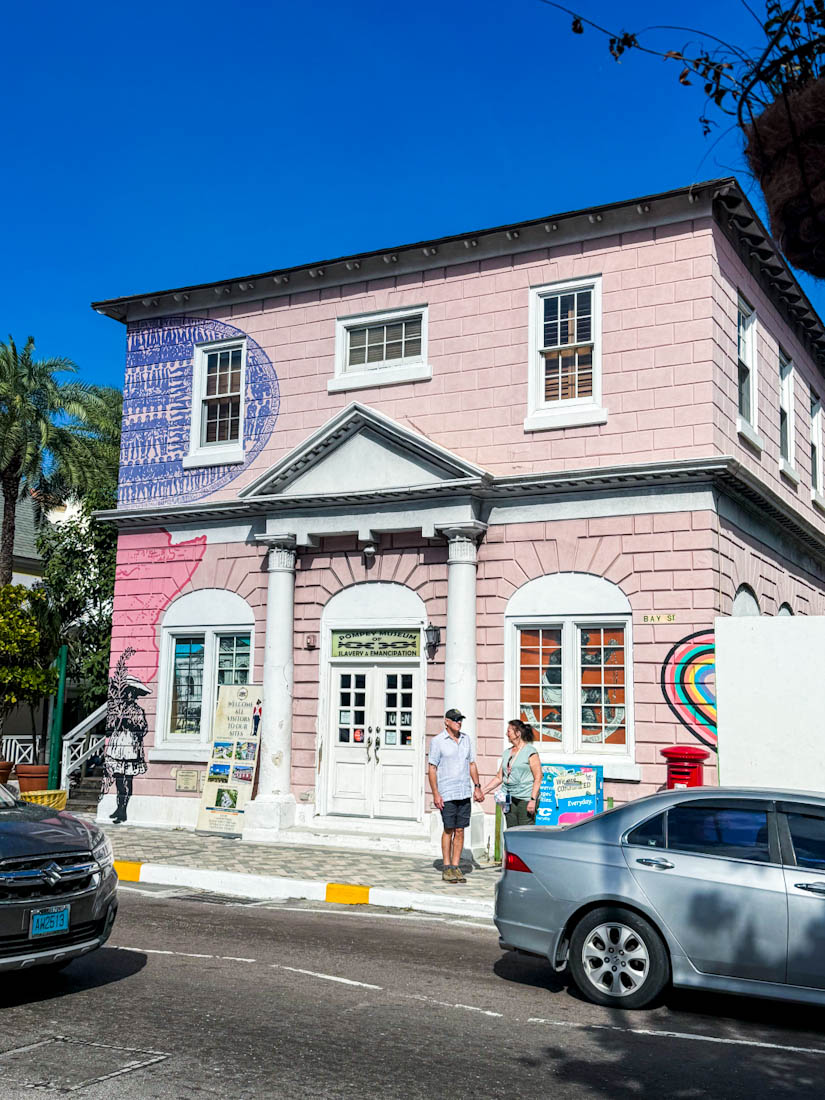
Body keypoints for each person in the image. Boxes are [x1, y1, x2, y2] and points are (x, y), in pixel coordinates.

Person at [428, 708, 484, 884]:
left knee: (460, 830)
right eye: (455, 719)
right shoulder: (438, 741)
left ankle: (456, 865)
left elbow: (472, 764)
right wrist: (436, 793)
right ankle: (447, 867)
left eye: (460, 719)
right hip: (447, 792)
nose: (458, 722)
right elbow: (432, 768)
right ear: (446, 721)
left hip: (463, 791)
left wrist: (477, 787)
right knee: (449, 829)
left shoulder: (466, 739)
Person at [482, 719, 542, 827]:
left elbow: (538, 777)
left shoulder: (530, 751)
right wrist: (483, 792)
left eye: (509, 731)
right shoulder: (507, 753)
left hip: (525, 798)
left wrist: (532, 800)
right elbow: (499, 777)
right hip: (509, 798)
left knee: (525, 831)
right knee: (511, 830)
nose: (506, 734)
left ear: (518, 733)